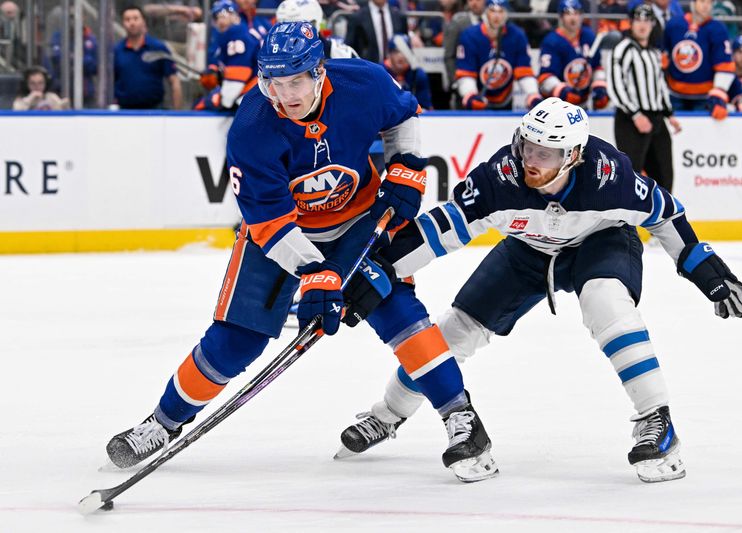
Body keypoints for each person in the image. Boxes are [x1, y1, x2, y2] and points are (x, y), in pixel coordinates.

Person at [104, 21, 497, 484]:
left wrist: (407, 169)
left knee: (400, 314)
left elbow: (403, 116)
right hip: (281, 236)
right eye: (273, 81)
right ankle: (162, 422)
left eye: (295, 81)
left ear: (318, 72)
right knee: (235, 341)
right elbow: (268, 223)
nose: (284, 95)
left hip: (358, 222)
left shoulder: (362, 82)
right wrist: (315, 272)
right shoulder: (252, 125)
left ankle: (463, 420)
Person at [336, 97, 742, 483]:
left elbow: (667, 214)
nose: (530, 160)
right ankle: (387, 415)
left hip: (601, 242)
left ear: (572, 155)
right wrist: (380, 267)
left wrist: (707, 272)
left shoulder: (609, 177)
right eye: (527, 146)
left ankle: (658, 421)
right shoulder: (500, 178)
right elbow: (440, 229)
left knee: (605, 302)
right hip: (528, 250)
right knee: (454, 331)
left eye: (545, 153)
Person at [608, 4, 680, 193]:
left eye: (647, 20)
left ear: (653, 24)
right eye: (638, 20)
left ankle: (662, 219)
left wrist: (669, 113)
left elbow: (660, 86)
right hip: (630, 120)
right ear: (631, 23)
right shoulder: (623, 49)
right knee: (631, 175)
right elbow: (615, 86)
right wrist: (635, 114)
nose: (642, 24)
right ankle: (626, 221)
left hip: (656, 118)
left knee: (665, 175)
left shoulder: (654, 53)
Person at [455, 0, 541, 110]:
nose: (496, 16)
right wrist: (470, 95)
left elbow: (524, 71)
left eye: (501, 11)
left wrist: (532, 94)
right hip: (476, 99)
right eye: (492, 11)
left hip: (504, 99)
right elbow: (466, 72)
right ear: (485, 12)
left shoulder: (517, 36)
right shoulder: (470, 36)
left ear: (506, 14)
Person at [663, 0, 734, 119]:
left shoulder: (718, 29)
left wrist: (718, 96)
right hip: (674, 95)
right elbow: (663, 57)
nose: (706, 6)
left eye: (709, 3)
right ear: (693, 3)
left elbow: (724, 65)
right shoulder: (673, 25)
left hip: (704, 97)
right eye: (702, 1)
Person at [538, 0, 609, 110]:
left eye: (576, 13)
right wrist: (561, 90)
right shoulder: (551, 41)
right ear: (561, 17)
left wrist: (599, 85)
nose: (573, 18)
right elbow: (545, 77)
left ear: (581, 16)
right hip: (556, 107)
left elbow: (597, 67)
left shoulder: (589, 36)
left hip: (583, 104)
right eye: (568, 14)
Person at [195, 0, 260, 111]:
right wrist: (214, 71)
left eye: (224, 15)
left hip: (251, 91)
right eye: (217, 17)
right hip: (248, 90)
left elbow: (239, 71)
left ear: (235, 16)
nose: (220, 21)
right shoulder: (224, 36)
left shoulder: (236, 33)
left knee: (201, 106)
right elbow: (220, 62)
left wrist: (224, 99)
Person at [113, 5, 182, 109]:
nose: (132, 23)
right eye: (127, 19)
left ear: (143, 21)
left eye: (136, 19)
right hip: (125, 112)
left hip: (155, 111)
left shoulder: (158, 48)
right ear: (123, 23)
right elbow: (109, 83)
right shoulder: (117, 51)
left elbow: (174, 81)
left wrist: (177, 115)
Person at [276, 0, 359, 58]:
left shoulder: (343, 55)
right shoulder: (271, 57)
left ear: (314, 24)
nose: (289, 34)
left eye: (297, 27)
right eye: (284, 27)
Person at [442, 0, 485, 100]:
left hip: (487, 82)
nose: (474, 3)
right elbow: (449, 55)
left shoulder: (492, 22)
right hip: (464, 80)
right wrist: (455, 81)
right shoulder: (458, 23)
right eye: (471, 0)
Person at [384, 34, 433, 110]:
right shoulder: (381, 72)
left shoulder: (418, 74)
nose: (401, 56)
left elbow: (427, 107)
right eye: (396, 51)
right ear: (389, 54)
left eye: (405, 51)